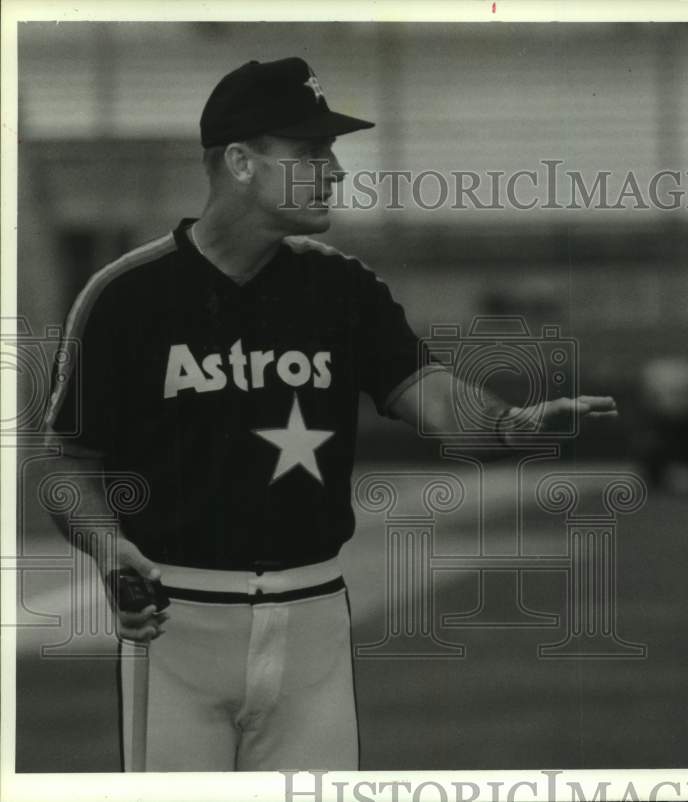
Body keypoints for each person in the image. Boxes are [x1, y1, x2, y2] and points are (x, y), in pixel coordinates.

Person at [43, 56, 616, 772]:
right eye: (311, 152)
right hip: (175, 622)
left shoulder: (340, 288)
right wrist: (107, 546)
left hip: (314, 621)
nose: (335, 170)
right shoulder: (126, 295)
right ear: (241, 162)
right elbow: (68, 462)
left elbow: (433, 399)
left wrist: (510, 424)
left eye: (332, 152)